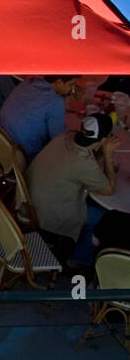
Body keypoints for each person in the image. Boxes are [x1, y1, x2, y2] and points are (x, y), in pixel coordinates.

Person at [26, 114, 116, 268]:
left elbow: (88, 157)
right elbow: (110, 189)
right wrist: (108, 156)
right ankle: (77, 259)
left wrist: (100, 148)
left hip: (30, 198)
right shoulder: (83, 163)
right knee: (105, 218)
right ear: (103, 140)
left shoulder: (67, 136)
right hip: (46, 213)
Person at [0, 76, 80, 161]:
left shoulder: (29, 82)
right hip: (19, 154)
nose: (72, 89)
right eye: (71, 84)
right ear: (59, 82)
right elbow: (58, 140)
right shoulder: (56, 102)